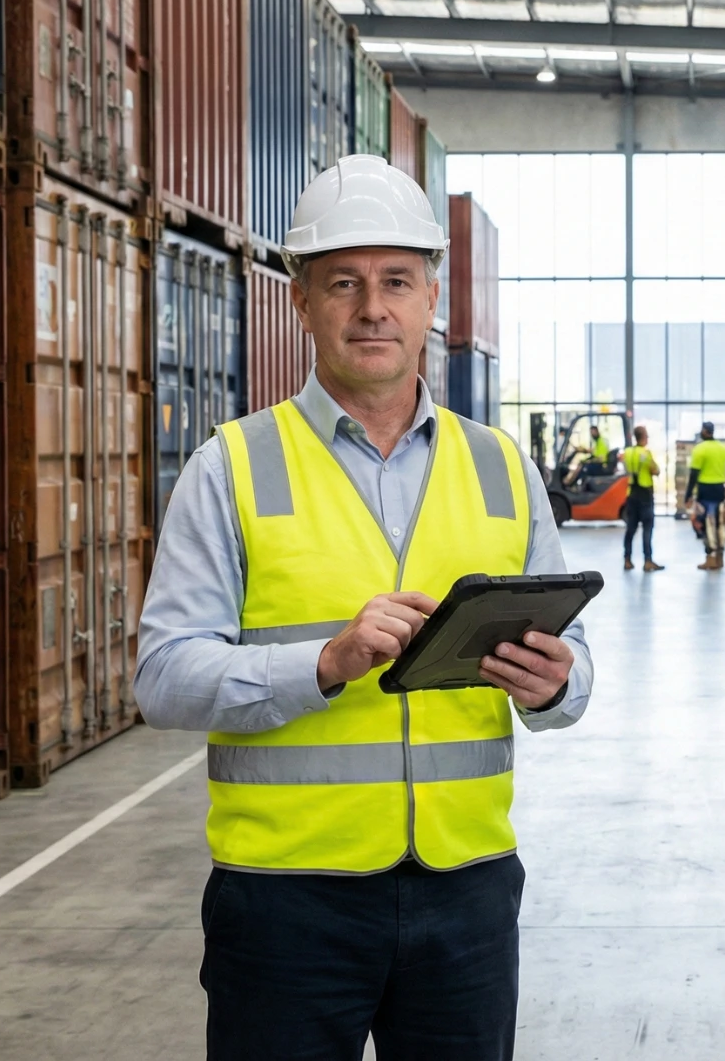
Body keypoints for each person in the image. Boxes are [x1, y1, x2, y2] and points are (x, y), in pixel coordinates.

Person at [133, 154, 594, 1061]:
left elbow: (576, 669)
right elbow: (161, 678)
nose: (371, 307)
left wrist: (556, 687)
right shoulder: (229, 467)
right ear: (300, 301)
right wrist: (323, 665)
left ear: (432, 300)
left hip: (468, 889)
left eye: (395, 281)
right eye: (343, 282)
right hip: (284, 899)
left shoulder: (502, 466)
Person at [685, 421, 725, 571]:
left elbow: (694, 474)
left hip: (704, 492)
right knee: (719, 524)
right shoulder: (723, 448)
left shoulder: (700, 449)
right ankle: (720, 557)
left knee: (706, 524)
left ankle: (710, 557)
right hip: (720, 491)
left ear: (705, 431)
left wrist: (688, 495)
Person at [622, 425, 663, 572]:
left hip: (631, 493)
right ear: (644, 437)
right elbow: (655, 470)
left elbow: (623, 464)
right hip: (645, 494)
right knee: (647, 528)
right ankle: (648, 561)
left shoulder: (627, 452)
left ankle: (627, 559)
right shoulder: (646, 454)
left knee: (630, 529)